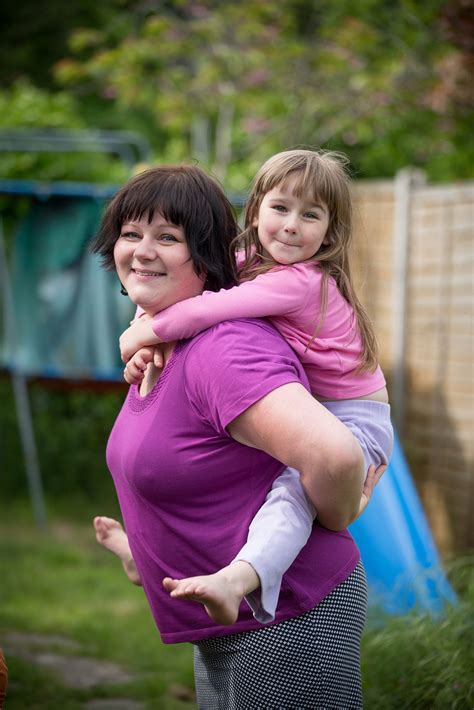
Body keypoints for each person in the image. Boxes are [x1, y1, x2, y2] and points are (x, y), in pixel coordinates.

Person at [91, 162, 384, 708]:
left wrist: (342, 511)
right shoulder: (175, 339)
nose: (142, 251)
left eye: (168, 238)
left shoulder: (226, 349)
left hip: (291, 620)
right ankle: (149, 560)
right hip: (235, 624)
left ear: (204, 252)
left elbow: (336, 455)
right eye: (131, 234)